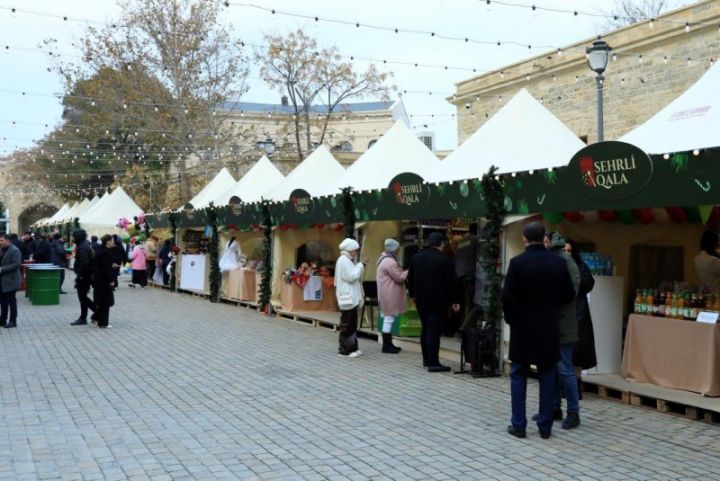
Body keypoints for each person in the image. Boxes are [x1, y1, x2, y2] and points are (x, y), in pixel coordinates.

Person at [502, 222, 575, 440]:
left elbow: (507, 296)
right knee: (547, 374)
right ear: (544, 237)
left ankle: (519, 425)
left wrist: (512, 318)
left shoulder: (517, 263)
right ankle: (545, 426)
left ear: (524, 238)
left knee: (518, 374)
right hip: (548, 326)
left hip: (522, 327)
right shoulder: (558, 263)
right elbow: (569, 295)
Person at [407, 232, 460, 372]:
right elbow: (451, 281)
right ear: (441, 243)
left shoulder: (416, 257)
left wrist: (412, 295)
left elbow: (410, 278)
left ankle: (426, 359)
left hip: (420, 299)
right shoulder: (444, 259)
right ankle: (433, 362)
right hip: (439, 300)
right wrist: (455, 300)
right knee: (433, 331)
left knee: (425, 328)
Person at [546, 233, 581, 430]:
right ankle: (555, 408)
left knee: (564, 369)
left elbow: (571, 291)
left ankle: (573, 411)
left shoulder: (563, 261)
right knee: (557, 368)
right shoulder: (562, 260)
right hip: (560, 321)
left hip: (562, 322)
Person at [564, 238, 597, 399]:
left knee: (578, 353)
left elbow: (589, 283)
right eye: (564, 250)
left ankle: (576, 386)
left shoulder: (581, 266)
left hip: (579, 312)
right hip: (562, 313)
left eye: (569, 251)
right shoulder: (556, 266)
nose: (566, 254)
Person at [334, 238, 365, 358]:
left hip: (349, 297)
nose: (356, 253)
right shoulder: (344, 261)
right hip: (348, 297)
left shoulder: (345, 260)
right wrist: (360, 267)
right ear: (350, 250)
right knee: (347, 324)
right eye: (355, 250)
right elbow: (351, 276)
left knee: (351, 324)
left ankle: (352, 348)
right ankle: (344, 350)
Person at [376, 238, 407, 354]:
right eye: (398, 248)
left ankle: (388, 344)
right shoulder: (390, 261)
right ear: (394, 249)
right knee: (389, 318)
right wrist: (409, 271)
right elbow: (399, 277)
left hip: (386, 291)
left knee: (388, 317)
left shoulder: (383, 258)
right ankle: (387, 345)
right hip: (389, 292)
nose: (399, 250)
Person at [71, 229, 96, 326]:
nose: (73, 238)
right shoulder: (84, 245)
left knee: (82, 297)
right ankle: (84, 317)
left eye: (74, 236)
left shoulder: (82, 247)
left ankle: (94, 312)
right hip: (86, 275)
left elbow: (84, 263)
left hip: (84, 276)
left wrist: (79, 276)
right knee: (83, 297)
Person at [455, 223, 478, 320]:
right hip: (470, 273)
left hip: (459, 274)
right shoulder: (476, 240)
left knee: (466, 302)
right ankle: (464, 329)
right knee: (472, 303)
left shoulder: (462, 241)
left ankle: (464, 327)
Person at [92, 234, 115, 328]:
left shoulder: (100, 251)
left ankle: (96, 317)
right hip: (103, 280)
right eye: (112, 240)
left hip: (98, 279)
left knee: (101, 301)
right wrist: (111, 280)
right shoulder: (105, 252)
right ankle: (103, 323)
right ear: (108, 241)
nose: (113, 241)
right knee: (105, 301)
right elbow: (106, 268)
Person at [0, 233, 22, 328]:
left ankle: (13, 321)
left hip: (11, 280)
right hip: (2, 280)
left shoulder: (14, 250)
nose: (0, 242)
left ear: (8, 240)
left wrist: (2, 269)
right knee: (3, 301)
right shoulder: (2, 249)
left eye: (1, 240)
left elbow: (16, 264)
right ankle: (3, 319)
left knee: (11, 301)